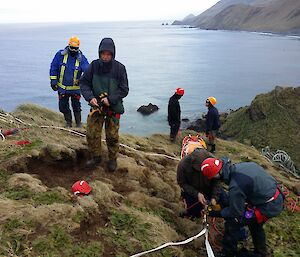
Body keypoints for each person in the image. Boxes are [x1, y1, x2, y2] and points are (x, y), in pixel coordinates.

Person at [201, 157, 284, 257]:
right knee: (255, 225)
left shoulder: (236, 187)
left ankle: (228, 253)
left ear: (217, 175)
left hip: (267, 206)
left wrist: (214, 213)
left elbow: (235, 213)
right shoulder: (241, 167)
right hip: (274, 197)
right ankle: (261, 252)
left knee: (233, 221)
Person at [80, 38, 129, 172]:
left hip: (113, 107)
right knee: (92, 133)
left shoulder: (120, 68)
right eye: (103, 54)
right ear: (100, 53)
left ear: (112, 54)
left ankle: (112, 159)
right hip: (97, 107)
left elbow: (124, 89)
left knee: (112, 136)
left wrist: (111, 99)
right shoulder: (93, 66)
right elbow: (83, 83)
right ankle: (96, 157)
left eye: (108, 54)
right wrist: (90, 97)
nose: (106, 56)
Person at [50, 36, 89, 128]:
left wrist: (82, 80)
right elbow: (53, 67)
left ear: (78, 48)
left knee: (76, 107)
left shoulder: (81, 59)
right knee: (63, 107)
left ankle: (78, 124)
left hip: (75, 90)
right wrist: (53, 81)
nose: (73, 50)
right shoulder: (60, 55)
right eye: (71, 48)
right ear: (68, 46)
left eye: (75, 49)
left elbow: (88, 71)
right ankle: (68, 123)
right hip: (62, 89)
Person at [177, 147, 221, 218]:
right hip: (193, 191)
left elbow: (217, 182)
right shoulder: (183, 165)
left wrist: (214, 198)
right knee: (194, 212)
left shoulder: (213, 161)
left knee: (220, 205)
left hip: (209, 189)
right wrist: (197, 194)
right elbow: (182, 183)